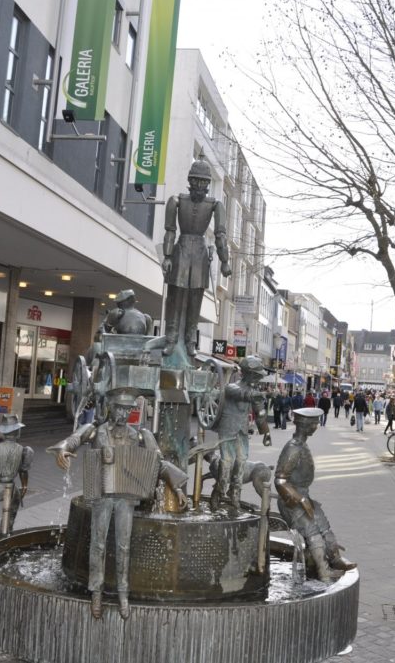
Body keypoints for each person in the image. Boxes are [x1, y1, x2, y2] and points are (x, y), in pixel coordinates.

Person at [49, 391, 187, 619]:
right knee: (98, 544)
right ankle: (96, 592)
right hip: (103, 495)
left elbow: (158, 462)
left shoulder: (140, 435)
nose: (124, 414)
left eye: (128, 409)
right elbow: (75, 438)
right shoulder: (96, 429)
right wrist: (64, 449)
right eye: (119, 408)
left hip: (126, 496)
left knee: (123, 545)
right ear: (110, 408)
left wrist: (177, 486)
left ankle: (123, 592)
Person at [275, 407, 357, 581]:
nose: (317, 426)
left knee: (324, 526)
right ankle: (324, 571)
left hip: (303, 496)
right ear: (306, 425)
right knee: (312, 532)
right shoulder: (293, 449)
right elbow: (280, 481)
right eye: (314, 423)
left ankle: (335, 560)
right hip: (291, 501)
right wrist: (301, 499)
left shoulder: (301, 445)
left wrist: (305, 498)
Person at [160, 159, 231, 356]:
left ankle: (191, 339)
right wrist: (167, 256)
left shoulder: (215, 205)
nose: (199, 186)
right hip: (181, 250)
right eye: (196, 181)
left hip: (199, 252)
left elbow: (220, 234)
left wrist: (225, 260)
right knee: (175, 296)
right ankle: (171, 337)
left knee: (195, 297)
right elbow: (170, 230)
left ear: (208, 185)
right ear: (190, 181)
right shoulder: (176, 201)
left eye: (203, 182)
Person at [211, 356, 273, 511]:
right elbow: (243, 394)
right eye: (257, 376)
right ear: (249, 374)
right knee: (227, 463)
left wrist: (266, 432)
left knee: (241, 462)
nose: (258, 379)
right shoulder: (232, 388)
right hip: (228, 428)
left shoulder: (254, 392)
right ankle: (217, 494)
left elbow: (260, 414)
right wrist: (264, 395)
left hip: (242, 431)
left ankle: (235, 495)